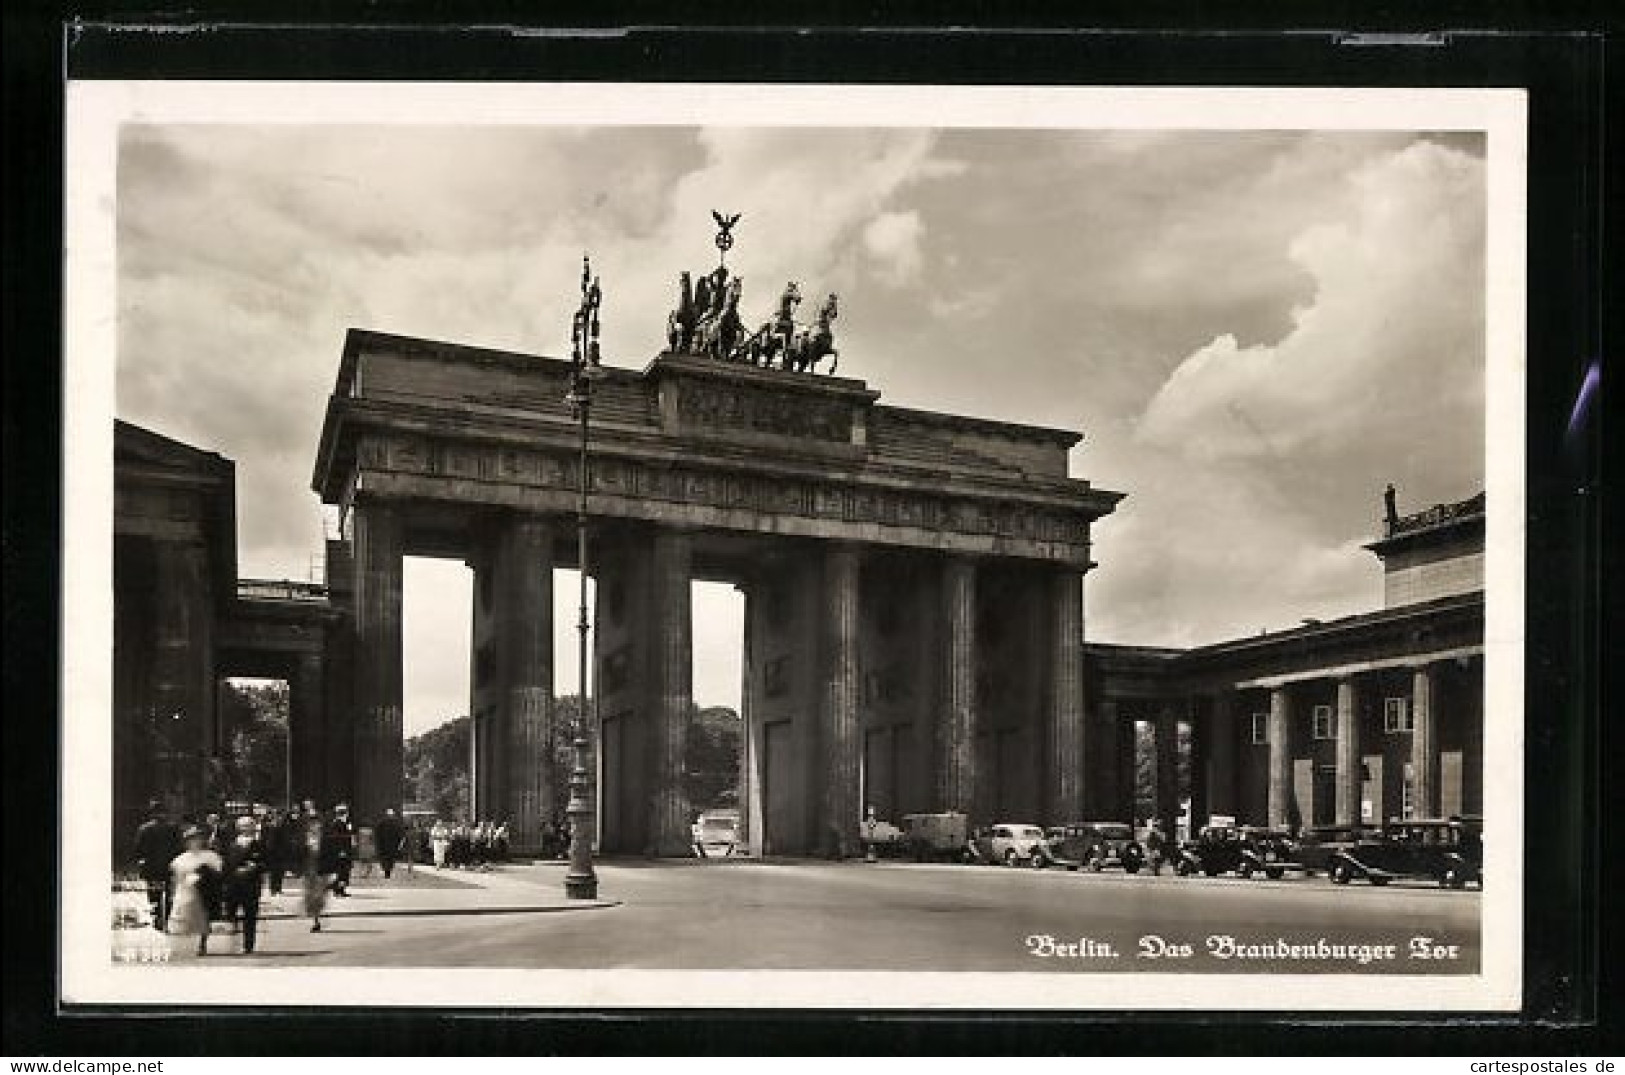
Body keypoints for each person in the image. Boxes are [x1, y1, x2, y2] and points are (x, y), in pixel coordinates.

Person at [167, 826, 224, 956]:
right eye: (191, 840)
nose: (195, 843)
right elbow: (176, 877)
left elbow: (218, 873)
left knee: (203, 916)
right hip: (186, 889)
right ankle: (183, 945)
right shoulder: (180, 859)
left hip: (204, 891)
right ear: (186, 842)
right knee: (185, 916)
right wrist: (174, 890)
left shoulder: (210, 856)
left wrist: (205, 875)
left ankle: (202, 944)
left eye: (198, 839)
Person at [133, 802, 182, 932]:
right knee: (169, 895)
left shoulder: (144, 829)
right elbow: (179, 848)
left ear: (152, 814)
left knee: (154, 895)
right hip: (169, 868)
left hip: (152, 869)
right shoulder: (173, 828)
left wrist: (141, 860)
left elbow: (138, 849)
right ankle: (166, 919)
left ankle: (157, 919)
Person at [220, 815, 267, 954]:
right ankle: (231, 943)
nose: (246, 829)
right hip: (234, 884)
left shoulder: (259, 844)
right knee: (231, 915)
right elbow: (226, 864)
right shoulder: (231, 844)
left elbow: (266, 862)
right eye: (243, 826)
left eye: (249, 826)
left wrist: (256, 866)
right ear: (238, 828)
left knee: (250, 916)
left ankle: (248, 945)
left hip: (251, 884)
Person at [299, 804, 330, 932]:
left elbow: (330, 852)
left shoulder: (326, 837)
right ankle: (315, 920)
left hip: (321, 868)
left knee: (319, 895)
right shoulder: (304, 837)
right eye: (311, 821)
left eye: (316, 821)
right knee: (310, 895)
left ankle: (316, 918)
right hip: (309, 868)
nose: (314, 824)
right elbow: (298, 852)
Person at [323, 802, 356, 896]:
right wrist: (341, 850)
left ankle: (340, 889)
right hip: (341, 851)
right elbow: (337, 839)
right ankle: (337, 889)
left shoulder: (344, 823)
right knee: (342, 871)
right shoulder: (337, 824)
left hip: (345, 850)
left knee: (343, 871)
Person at [376, 807, 404, 880]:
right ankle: (388, 871)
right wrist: (399, 843)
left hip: (384, 844)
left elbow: (378, 833)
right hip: (392, 844)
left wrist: (378, 842)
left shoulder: (382, 822)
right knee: (391, 858)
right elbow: (400, 834)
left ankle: (386, 870)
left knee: (385, 858)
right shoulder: (396, 823)